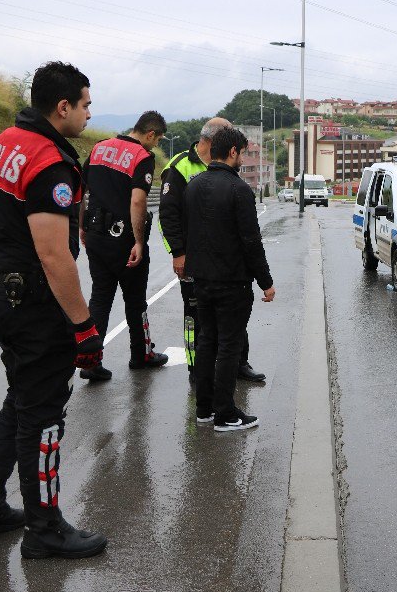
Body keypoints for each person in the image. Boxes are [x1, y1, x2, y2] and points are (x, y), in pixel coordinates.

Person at [0, 61, 107, 559]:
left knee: (21, 398)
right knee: (43, 416)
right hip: (37, 306)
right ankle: (44, 529)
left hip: (3, 291)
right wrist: (83, 326)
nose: (89, 113)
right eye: (85, 105)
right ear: (61, 107)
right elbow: (53, 253)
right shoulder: (48, 163)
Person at [158, 117, 266, 385]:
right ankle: (197, 368)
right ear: (213, 139)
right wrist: (178, 253)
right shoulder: (180, 166)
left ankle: (239, 363)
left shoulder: (224, 166)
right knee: (195, 318)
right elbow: (168, 215)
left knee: (234, 315)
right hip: (194, 260)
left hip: (226, 261)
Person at [184, 127, 275, 431]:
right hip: (232, 282)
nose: (243, 157)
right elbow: (251, 241)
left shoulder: (193, 186)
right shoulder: (239, 190)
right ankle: (226, 414)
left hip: (201, 279)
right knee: (229, 346)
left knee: (207, 341)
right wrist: (266, 281)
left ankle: (205, 409)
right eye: (243, 152)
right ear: (233, 152)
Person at [79, 111, 169, 380]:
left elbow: (81, 190)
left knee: (101, 297)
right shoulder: (142, 157)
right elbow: (138, 201)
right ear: (150, 134)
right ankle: (140, 355)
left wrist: (82, 227)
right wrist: (139, 241)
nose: (156, 145)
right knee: (135, 300)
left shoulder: (98, 148)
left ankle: (91, 361)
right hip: (123, 240)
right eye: (158, 139)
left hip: (95, 235)